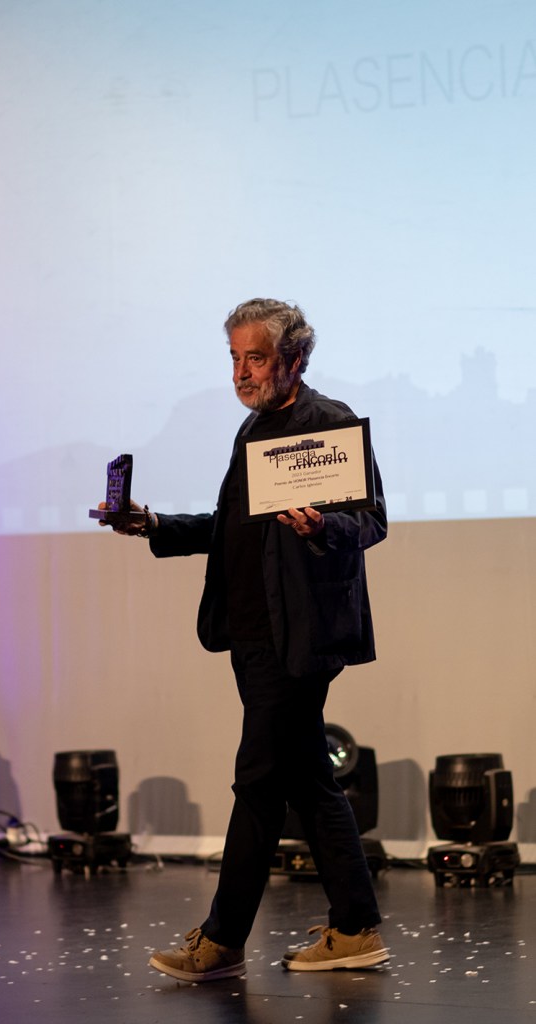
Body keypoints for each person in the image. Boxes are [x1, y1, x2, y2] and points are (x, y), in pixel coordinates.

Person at [99, 298, 389, 982]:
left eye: (253, 358)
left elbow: (371, 521)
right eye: (233, 358)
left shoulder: (329, 423)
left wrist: (321, 526)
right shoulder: (254, 429)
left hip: (301, 636)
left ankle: (222, 940)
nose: (240, 372)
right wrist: (154, 524)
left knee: (257, 782)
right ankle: (354, 927)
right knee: (307, 780)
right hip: (252, 634)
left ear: (294, 358)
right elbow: (232, 529)